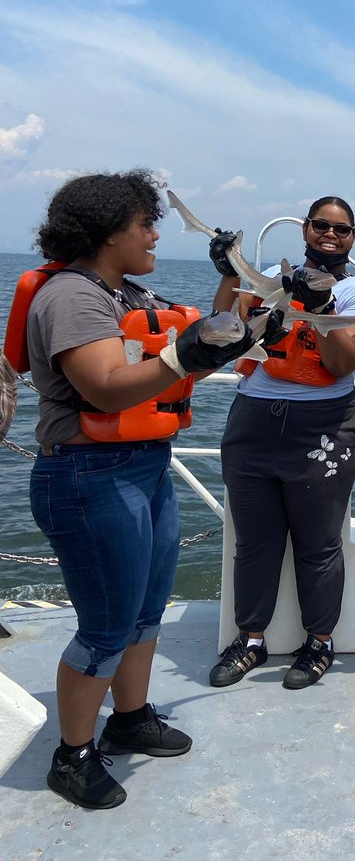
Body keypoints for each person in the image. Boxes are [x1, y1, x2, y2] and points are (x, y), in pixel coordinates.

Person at [20, 170, 255, 810]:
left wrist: (229, 282)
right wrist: (188, 357)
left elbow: (183, 354)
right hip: (88, 474)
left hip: (143, 467)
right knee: (105, 625)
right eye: (144, 224)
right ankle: (72, 756)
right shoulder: (73, 297)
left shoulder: (124, 294)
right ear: (106, 232)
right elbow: (104, 385)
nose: (155, 234)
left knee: (146, 609)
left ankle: (129, 716)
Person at [206, 197, 355, 690]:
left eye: (341, 230)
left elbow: (342, 363)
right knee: (254, 542)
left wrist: (320, 305)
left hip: (322, 423)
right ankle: (250, 640)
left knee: (318, 543)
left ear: (352, 238)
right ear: (304, 229)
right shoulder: (267, 278)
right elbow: (218, 331)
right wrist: (226, 271)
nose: (330, 235)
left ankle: (320, 642)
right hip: (254, 418)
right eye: (321, 225)